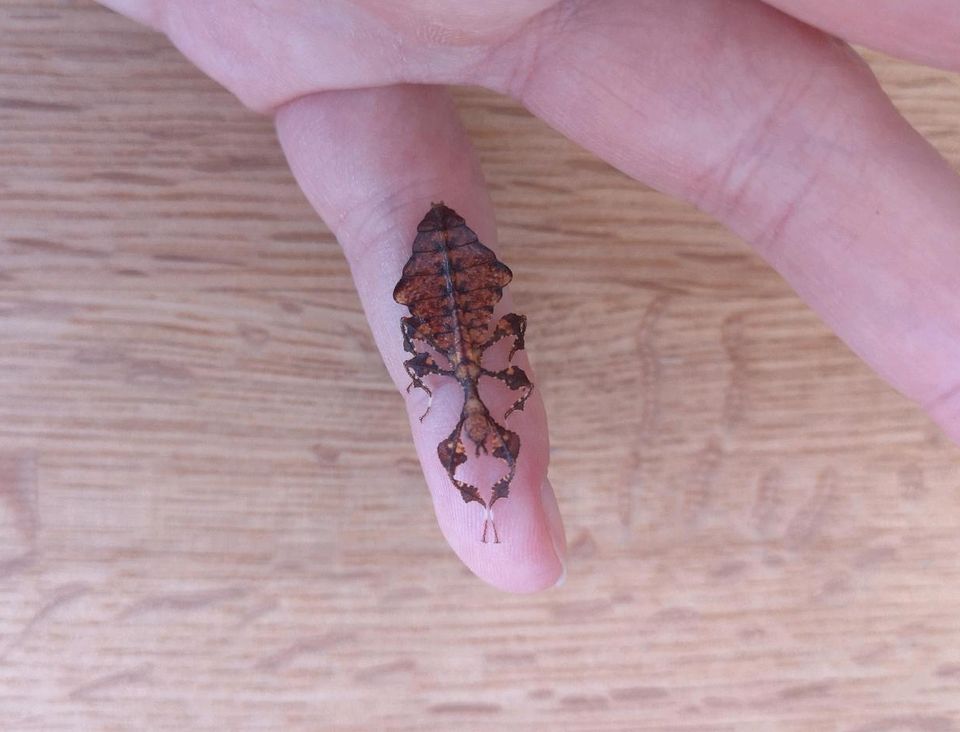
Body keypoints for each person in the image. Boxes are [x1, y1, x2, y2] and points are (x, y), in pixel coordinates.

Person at [97, 0, 960, 592]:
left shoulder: (467, 373)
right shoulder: (471, 374)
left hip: (454, 302)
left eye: (473, 451)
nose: (476, 440)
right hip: (455, 299)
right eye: (482, 450)